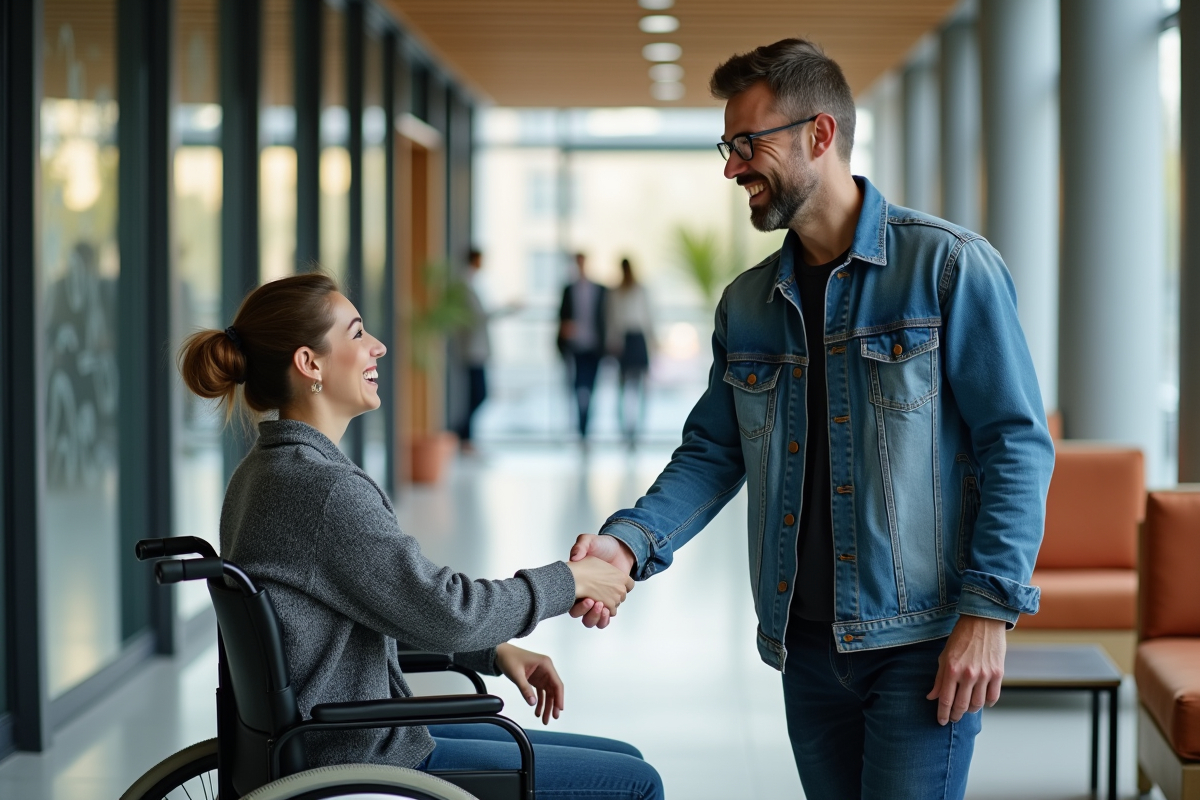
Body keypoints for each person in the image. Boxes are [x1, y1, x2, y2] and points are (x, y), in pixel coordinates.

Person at [569, 39, 1055, 799]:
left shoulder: (948, 268)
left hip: (921, 642)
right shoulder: (748, 303)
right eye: (726, 147)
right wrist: (628, 545)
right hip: (805, 642)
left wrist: (989, 613)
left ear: (818, 135)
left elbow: (1016, 444)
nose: (732, 167)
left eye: (747, 143)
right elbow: (711, 453)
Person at [177, 272, 662, 798]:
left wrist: (493, 653)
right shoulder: (323, 489)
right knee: (636, 783)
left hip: (338, 735)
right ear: (309, 364)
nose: (378, 347)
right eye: (357, 333)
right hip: (360, 754)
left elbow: (369, 607)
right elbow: (450, 611)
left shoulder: (263, 472)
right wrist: (568, 580)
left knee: (624, 759)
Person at [454, 248, 518, 454]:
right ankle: (460, 434)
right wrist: (508, 309)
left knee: (476, 395)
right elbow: (479, 316)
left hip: (476, 350)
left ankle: (464, 436)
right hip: (472, 350)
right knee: (479, 394)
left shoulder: (470, 284)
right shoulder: (464, 285)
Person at [605, 258, 656, 445]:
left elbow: (649, 317)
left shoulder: (641, 290)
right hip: (624, 340)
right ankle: (624, 429)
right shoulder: (615, 292)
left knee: (642, 387)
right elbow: (612, 319)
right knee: (622, 387)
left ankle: (638, 430)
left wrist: (652, 342)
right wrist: (612, 341)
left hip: (638, 338)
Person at [557, 252, 607, 440]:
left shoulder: (600, 289)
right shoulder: (568, 289)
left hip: (594, 346)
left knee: (591, 387)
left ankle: (586, 427)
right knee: (578, 387)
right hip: (576, 346)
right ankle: (581, 428)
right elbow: (562, 317)